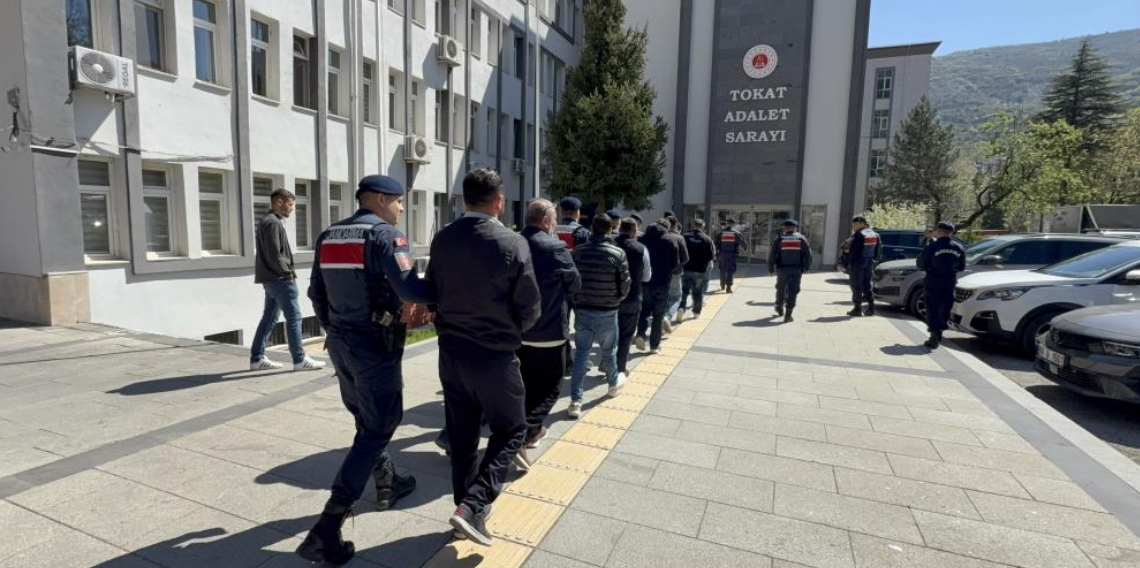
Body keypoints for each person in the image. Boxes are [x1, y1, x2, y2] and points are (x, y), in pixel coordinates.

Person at [295, 175, 435, 565]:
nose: (401, 208)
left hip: (340, 344)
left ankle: (388, 480)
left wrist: (337, 327)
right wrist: (445, 289)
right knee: (378, 427)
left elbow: (316, 293)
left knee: (365, 419)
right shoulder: (386, 236)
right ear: (379, 199)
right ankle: (327, 526)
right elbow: (410, 290)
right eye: (398, 201)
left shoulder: (330, 236)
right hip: (375, 346)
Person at [427, 168, 541, 546]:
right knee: (511, 430)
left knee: (462, 438)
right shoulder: (511, 243)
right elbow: (529, 306)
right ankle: (473, 507)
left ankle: (466, 509)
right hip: (494, 355)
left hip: (451, 352)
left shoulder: (443, 239)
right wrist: (512, 331)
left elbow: (433, 290)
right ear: (499, 201)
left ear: (464, 200)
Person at [518, 199, 582, 452]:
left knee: (525, 382)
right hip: (550, 330)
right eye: (554, 220)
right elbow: (575, 284)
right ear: (545, 220)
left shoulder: (512, 241)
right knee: (552, 385)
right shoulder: (555, 247)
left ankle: (531, 430)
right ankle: (525, 431)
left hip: (518, 330)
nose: (556, 224)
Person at [250, 188, 326, 372]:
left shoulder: (268, 221)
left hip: (271, 279)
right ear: (279, 202)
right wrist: (287, 274)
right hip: (279, 280)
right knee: (294, 318)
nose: (292, 208)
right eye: (290, 204)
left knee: (269, 318)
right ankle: (299, 360)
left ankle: (257, 358)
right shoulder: (273, 223)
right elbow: (275, 254)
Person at [568, 215, 631, 418]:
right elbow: (625, 283)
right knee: (608, 351)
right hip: (608, 310)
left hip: (584, 309)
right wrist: (617, 299)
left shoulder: (578, 252)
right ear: (611, 229)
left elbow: (572, 280)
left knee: (581, 355)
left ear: (591, 228)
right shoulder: (617, 253)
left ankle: (576, 401)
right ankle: (613, 385)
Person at [636, 219, 683, 354]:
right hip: (663, 282)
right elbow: (676, 263)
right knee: (658, 315)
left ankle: (640, 334)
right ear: (667, 228)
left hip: (645, 282)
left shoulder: (642, 238)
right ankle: (654, 346)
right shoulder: (670, 240)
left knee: (644, 311)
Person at [918, 221, 966, 349]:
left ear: (939, 232)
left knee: (932, 307)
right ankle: (939, 333)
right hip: (949, 281)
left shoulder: (932, 247)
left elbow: (921, 264)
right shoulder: (959, 247)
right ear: (951, 233)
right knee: (945, 307)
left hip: (933, 281)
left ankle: (934, 335)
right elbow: (962, 267)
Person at [615, 218, 651, 375]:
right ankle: (620, 367)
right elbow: (646, 276)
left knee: (610, 333)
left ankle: (606, 362)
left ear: (620, 228)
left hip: (610, 296)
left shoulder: (611, 244)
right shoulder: (641, 248)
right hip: (633, 296)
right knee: (626, 334)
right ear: (634, 231)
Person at [768, 220, 812, 323]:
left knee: (780, 288)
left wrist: (770, 268)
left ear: (785, 228)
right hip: (796, 270)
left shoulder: (779, 239)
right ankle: (788, 315)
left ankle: (779, 306)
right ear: (795, 228)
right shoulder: (801, 238)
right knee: (793, 291)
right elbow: (808, 255)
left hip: (782, 269)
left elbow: (772, 255)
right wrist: (806, 267)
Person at [679, 218, 715, 322]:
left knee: (684, 291)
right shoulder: (707, 239)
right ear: (703, 227)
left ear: (693, 226)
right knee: (697, 292)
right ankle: (696, 312)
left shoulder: (685, 237)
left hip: (686, 269)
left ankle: (681, 308)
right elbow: (710, 256)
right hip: (700, 270)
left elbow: (680, 252)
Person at [847, 216, 881, 317]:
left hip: (858, 264)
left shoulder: (859, 235)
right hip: (869, 263)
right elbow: (878, 251)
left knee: (856, 286)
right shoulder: (875, 234)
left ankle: (857, 309)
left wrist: (849, 262)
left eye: (856, 224)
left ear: (862, 224)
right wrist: (873, 261)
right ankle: (871, 308)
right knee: (867, 286)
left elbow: (854, 252)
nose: (854, 227)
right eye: (853, 225)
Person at [663, 216, 689, 330]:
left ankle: (661, 317)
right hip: (676, 272)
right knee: (676, 296)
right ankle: (667, 316)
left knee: (664, 296)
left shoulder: (661, 236)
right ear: (675, 225)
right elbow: (685, 258)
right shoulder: (679, 238)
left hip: (660, 273)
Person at [714, 219, 747, 293]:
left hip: (722, 254)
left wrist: (716, 253)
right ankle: (728, 287)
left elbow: (715, 243)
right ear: (733, 224)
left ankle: (722, 284)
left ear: (727, 224)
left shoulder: (720, 233)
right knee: (730, 270)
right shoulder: (736, 233)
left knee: (722, 269)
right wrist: (745, 248)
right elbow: (742, 242)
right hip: (732, 254)